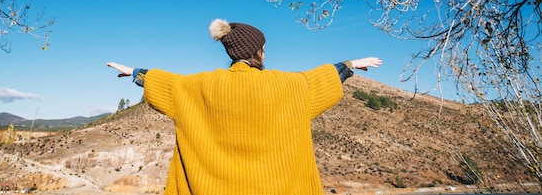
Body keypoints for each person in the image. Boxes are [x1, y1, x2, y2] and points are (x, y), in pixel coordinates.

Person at [107, 18, 382, 195]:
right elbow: (321, 79)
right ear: (257, 51)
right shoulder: (288, 85)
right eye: (264, 48)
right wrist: (349, 65)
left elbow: (165, 82)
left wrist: (135, 73)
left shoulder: (199, 86)